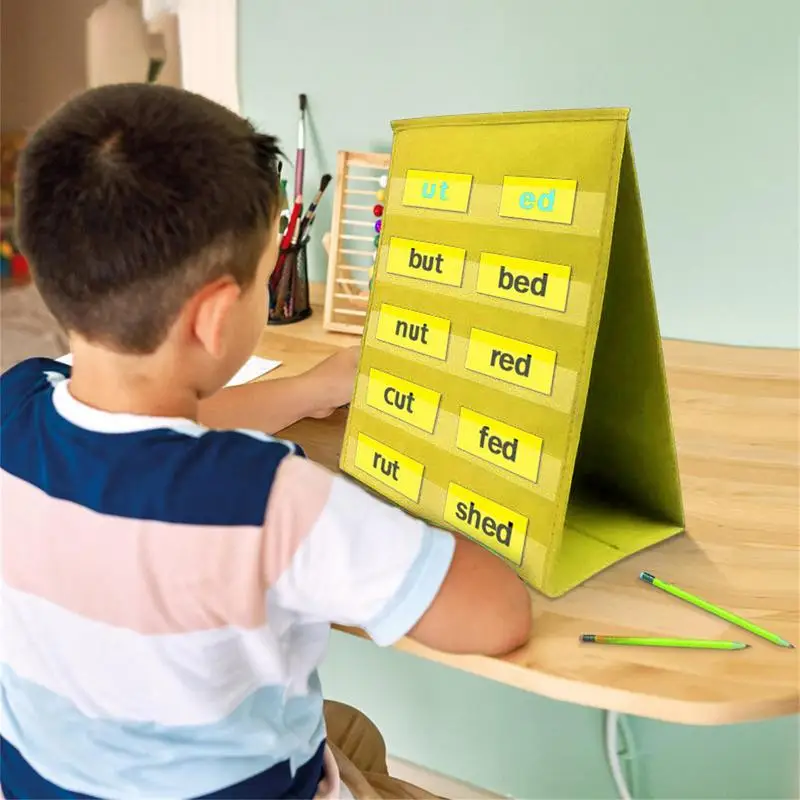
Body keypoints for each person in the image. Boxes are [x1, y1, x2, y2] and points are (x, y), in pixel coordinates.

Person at [0, 84, 532, 800]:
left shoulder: (15, 402)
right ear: (218, 315)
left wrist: (310, 390)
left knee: (354, 735)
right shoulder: (267, 499)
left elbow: (138, 440)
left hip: (55, 783)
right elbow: (497, 616)